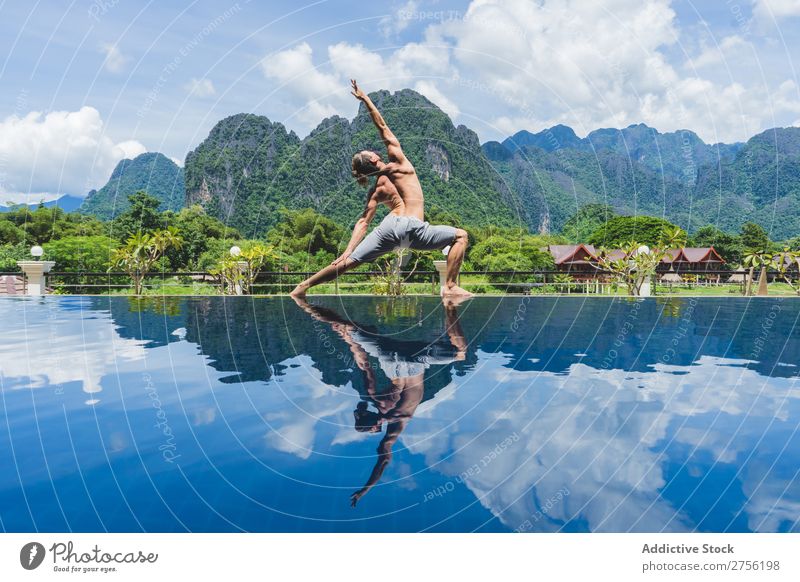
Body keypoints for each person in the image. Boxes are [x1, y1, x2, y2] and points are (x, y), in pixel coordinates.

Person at [290, 79, 472, 299]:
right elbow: (382, 126)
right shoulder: (398, 163)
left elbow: (363, 222)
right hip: (412, 227)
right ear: (374, 157)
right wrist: (365, 99)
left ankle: (302, 287)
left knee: (349, 263)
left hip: (388, 228)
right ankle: (450, 286)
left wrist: (348, 251)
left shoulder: (377, 188)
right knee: (460, 236)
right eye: (369, 151)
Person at [291, 295, 469, 506]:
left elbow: (384, 459)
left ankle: (450, 307)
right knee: (347, 327)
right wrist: (351, 340)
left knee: (460, 354)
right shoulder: (374, 399)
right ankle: (305, 303)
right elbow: (364, 364)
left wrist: (365, 490)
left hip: (414, 361)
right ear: (368, 416)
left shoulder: (397, 421)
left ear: (375, 426)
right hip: (388, 357)